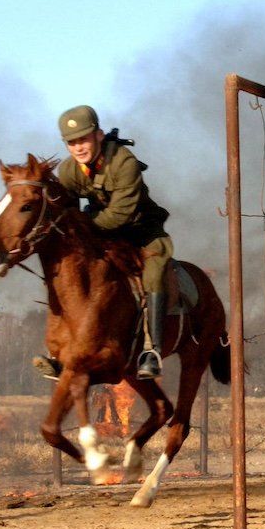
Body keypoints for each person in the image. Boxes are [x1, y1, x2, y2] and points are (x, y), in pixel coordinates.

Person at [39, 105, 172, 379]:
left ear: (98, 135)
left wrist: (82, 227)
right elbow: (68, 209)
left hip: (142, 231)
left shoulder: (124, 163)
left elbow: (120, 214)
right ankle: (62, 352)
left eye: (83, 139)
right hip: (102, 232)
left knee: (156, 272)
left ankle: (151, 351)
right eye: (71, 142)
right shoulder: (68, 171)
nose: (78, 148)